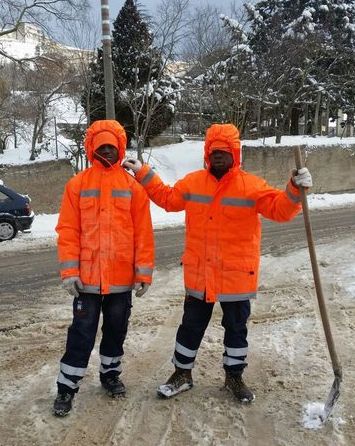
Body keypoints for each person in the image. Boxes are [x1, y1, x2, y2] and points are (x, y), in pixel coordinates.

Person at [123, 123, 312, 402]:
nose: (219, 157)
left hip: (236, 276)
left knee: (236, 328)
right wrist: (143, 172)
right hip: (201, 273)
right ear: (206, 154)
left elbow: (280, 209)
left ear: (235, 154)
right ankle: (182, 374)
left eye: (224, 152)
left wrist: (295, 190)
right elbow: (167, 198)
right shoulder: (193, 182)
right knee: (190, 326)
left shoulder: (251, 186)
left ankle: (234, 377)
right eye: (214, 152)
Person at [53, 120, 154, 417]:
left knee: (115, 330)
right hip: (86, 281)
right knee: (81, 332)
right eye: (101, 147)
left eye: (111, 147)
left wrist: (143, 272)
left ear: (119, 149)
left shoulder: (133, 187)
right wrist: (69, 272)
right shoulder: (77, 185)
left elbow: (143, 234)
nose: (106, 152)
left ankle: (110, 375)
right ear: (92, 149)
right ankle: (66, 387)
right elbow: (68, 231)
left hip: (121, 281)